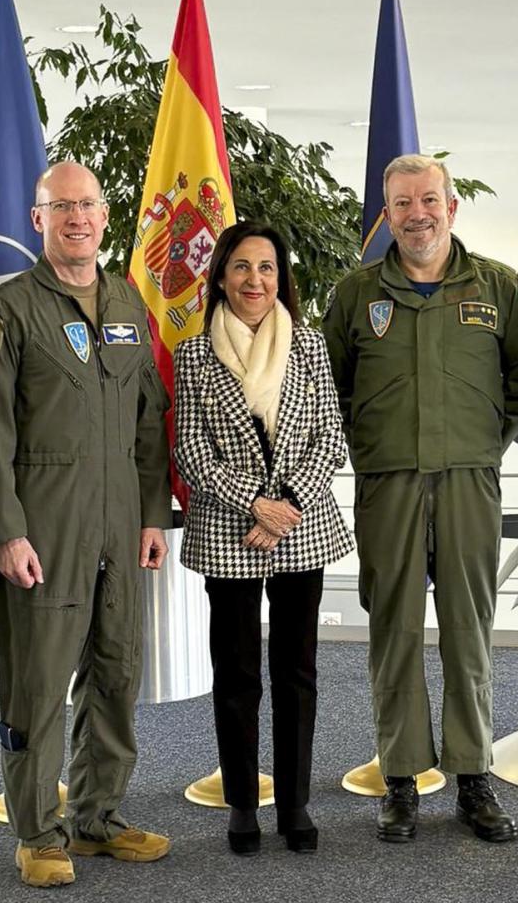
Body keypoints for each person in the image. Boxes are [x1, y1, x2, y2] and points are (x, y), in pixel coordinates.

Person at [321, 153, 518, 844]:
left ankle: (473, 776)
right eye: (402, 204)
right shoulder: (357, 295)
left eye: (429, 200)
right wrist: (374, 451)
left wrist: (480, 444)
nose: (416, 214)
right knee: (392, 630)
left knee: (469, 630)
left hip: (470, 482)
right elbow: (336, 388)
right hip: (386, 483)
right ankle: (400, 778)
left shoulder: (499, 287)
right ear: (386, 215)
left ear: (451, 207)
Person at [0, 162, 173, 888]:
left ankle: (97, 818)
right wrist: (6, 531)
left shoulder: (125, 300)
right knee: (38, 682)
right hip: (45, 524)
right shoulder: (9, 309)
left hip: (121, 522)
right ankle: (37, 832)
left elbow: (149, 420)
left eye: (87, 205)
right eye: (61, 207)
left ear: (106, 216)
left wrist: (152, 514)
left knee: (116, 674)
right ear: (37, 219)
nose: (76, 218)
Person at [173, 221, 354, 856]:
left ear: (282, 277)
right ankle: (244, 805)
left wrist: (285, 508)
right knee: (237, 673)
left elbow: (331, 436)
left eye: (268, 268)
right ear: (221, 276)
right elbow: (190, 450)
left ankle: (297, 804)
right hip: (228, 532)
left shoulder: (308, 344)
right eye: (243, 267)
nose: (256, 280)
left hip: (301, 530)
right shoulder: (195, 354)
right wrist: (254, 504)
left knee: (297, 671)